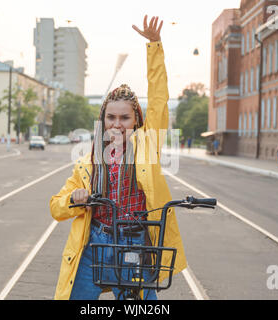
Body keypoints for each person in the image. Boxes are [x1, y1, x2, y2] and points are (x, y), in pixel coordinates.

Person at [50, 15, 186, 300]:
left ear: (137, 120)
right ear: (103, 120)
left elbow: (159, 100)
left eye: (125, 117)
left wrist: (154, 46)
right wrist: (74, 199)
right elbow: (56, 208)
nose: (117, 123)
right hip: (95, 246)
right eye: (111, 117)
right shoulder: (88, 164)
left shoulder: (147, 147)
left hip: (136, 246)